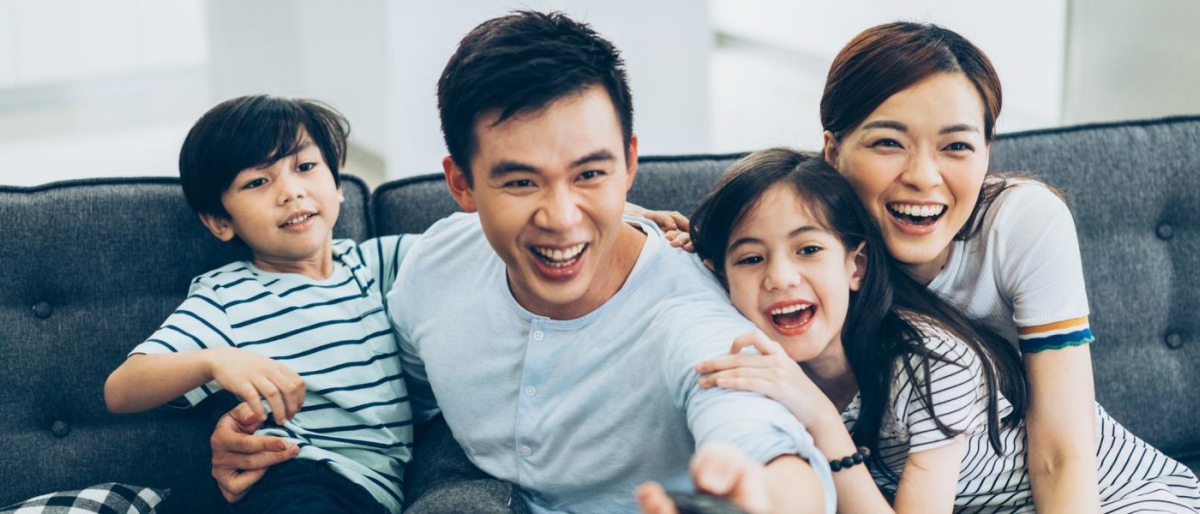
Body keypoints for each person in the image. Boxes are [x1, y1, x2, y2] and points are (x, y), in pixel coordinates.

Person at [208, 11, 836, 514]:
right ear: (461, 183)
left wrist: (767, 497)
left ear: (630, 162)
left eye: (591, 173)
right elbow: (381, 384)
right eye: (520, 183)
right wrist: (262, 442)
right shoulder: (433, 267)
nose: (561, 217)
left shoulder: (690, 317)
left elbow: (762, 441)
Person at [686, 147, 1200, 512]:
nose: (779, 276)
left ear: (856, 266)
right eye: (751, 258)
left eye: (809, 249)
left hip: (1128, 499)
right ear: (720, 277)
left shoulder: (932, 360)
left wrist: (821, 418)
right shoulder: (760, 373)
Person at [817, 22, 1109, 511]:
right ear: (833, 153)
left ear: (986, 152)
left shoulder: (1022, 223)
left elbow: (1063, 456)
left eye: (955, 146)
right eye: (889, 142)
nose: (923, 177)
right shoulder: (800, 245)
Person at [104, 96, 415, 513]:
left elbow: (472, 245)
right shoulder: (228, 295)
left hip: (374, 493)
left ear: (338, 186)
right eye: (257, 182)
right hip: (298, 475)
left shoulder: (381, 264)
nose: (291, 192)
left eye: (305, 167)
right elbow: (121, 389)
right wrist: (216, 361)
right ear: (220, 222)